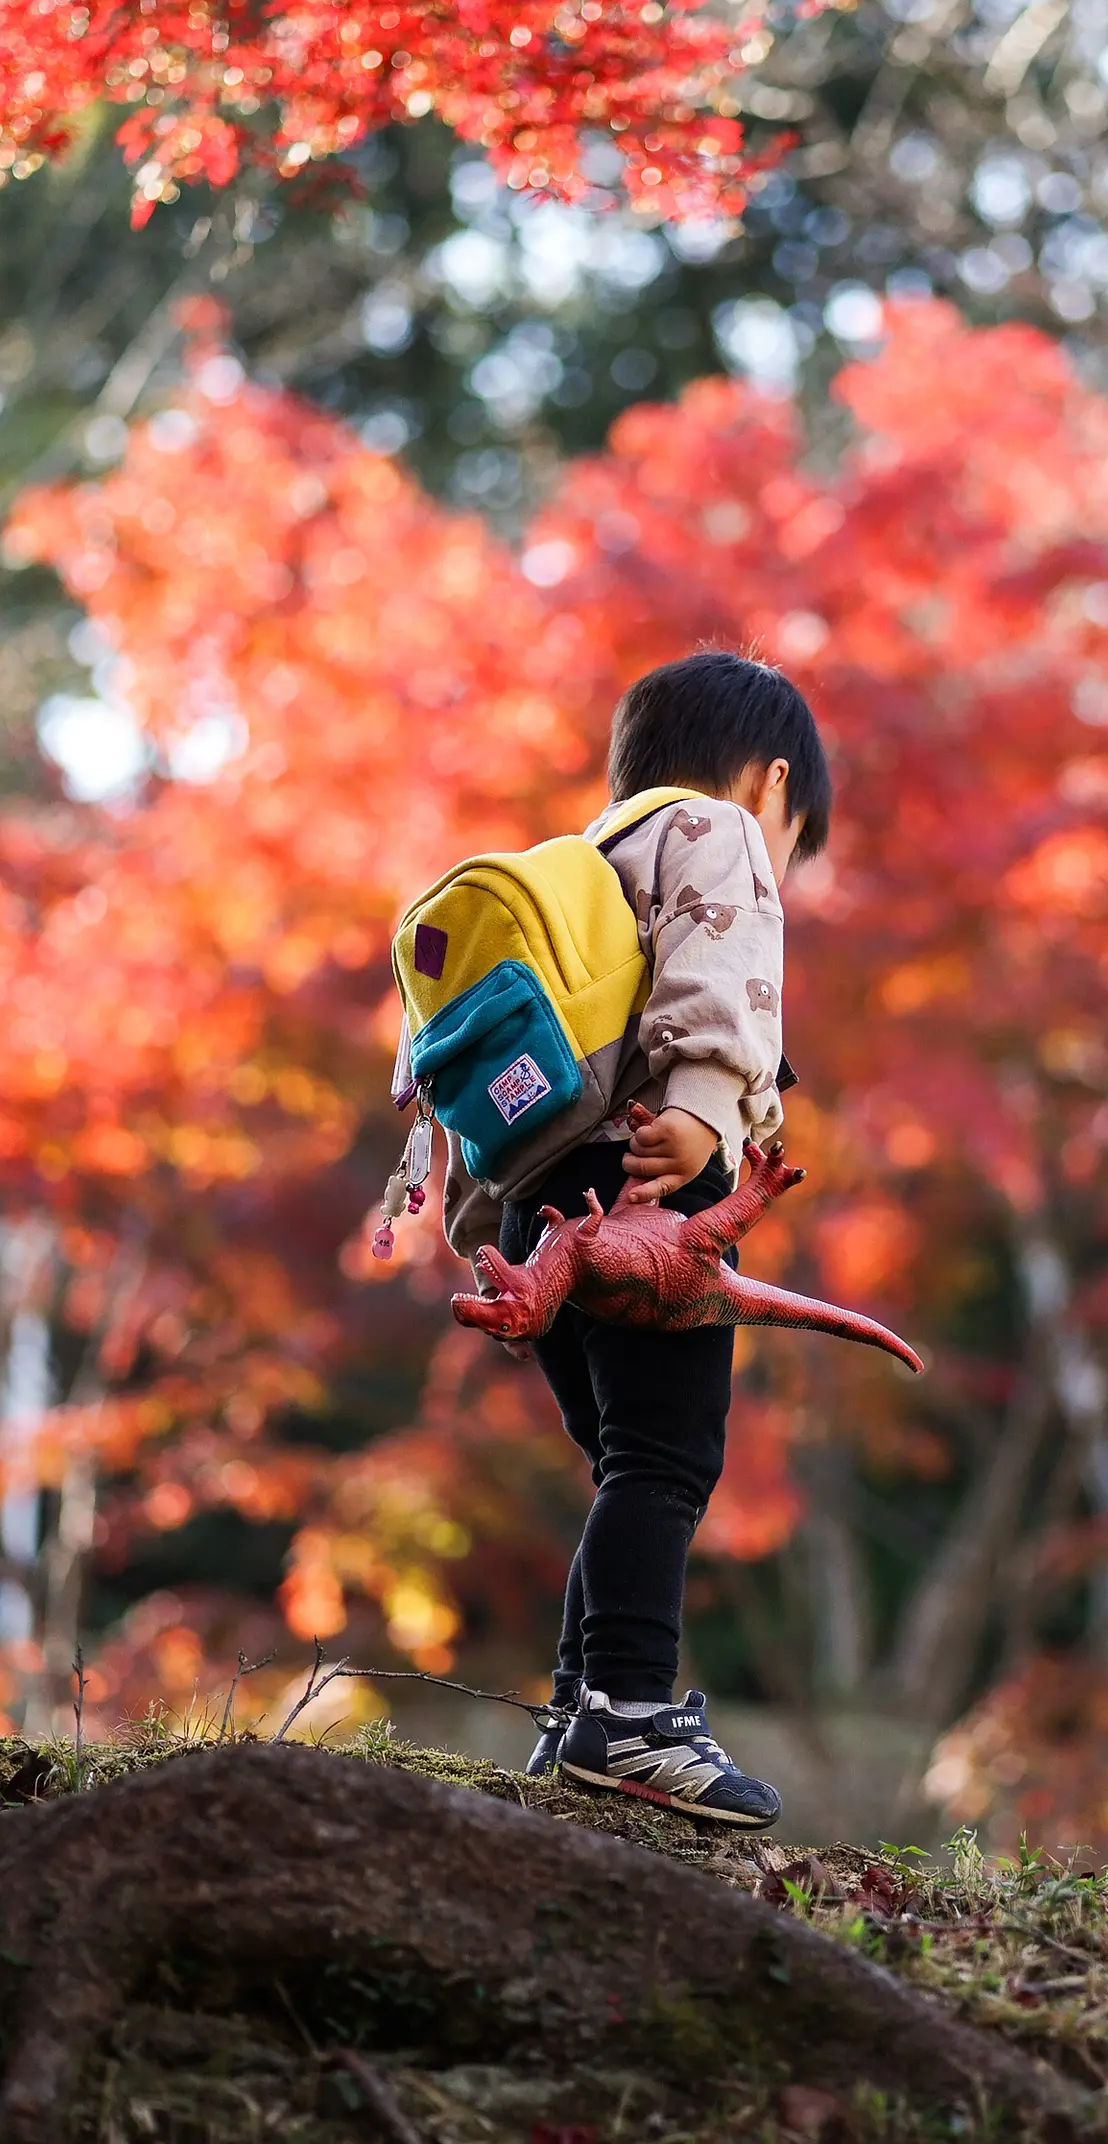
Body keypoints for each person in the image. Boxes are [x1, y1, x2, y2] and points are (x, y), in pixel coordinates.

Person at [443, 649, 831, 1827]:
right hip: (646, 1190)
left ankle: (578, 1712)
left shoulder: (581, 872)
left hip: (539, 1211)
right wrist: (707, 1108)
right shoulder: (717, 832)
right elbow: (717, 978)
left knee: (627, 1463)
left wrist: (491, 1232)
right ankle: (629, 1713)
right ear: (771, 781)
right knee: (666, 1460)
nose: (780, 859)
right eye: (795, 836)